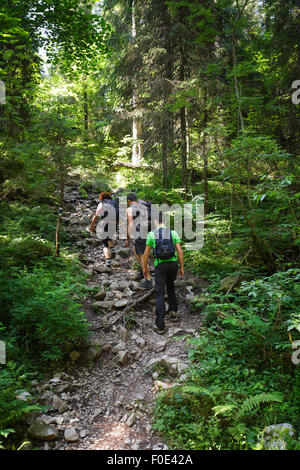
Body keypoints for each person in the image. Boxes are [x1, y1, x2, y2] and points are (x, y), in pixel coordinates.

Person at [143, 212, 184, 334]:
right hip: (172, 264)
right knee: (171, 286)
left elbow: (146, 254)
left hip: (160, 265)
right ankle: (173, 313)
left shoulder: (151, 234)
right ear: (165, 221)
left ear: (155, 221)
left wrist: (144, 268)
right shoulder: (172, 232)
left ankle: (160, 325)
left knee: (160, 293)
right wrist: (181, 267)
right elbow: (180, 252)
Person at [125, 193, 153, 289]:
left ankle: (148, 280)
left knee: (142, 257)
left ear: (128, 201)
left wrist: (128, 238)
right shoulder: (144, 206)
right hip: (147, 232)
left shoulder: (130, 209)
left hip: (139, 234)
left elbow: (130, 224)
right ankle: (143, 271)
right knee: (136, 251)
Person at [90, 192, 118, 268]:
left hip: (104, 223)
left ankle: (108, 260)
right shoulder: (114, 203)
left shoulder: (101, 203)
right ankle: (112, 249)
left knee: (105, 244)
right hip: (113, 223)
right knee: (110, 238)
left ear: (101, 197)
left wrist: (92, 226)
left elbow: (96, 216)